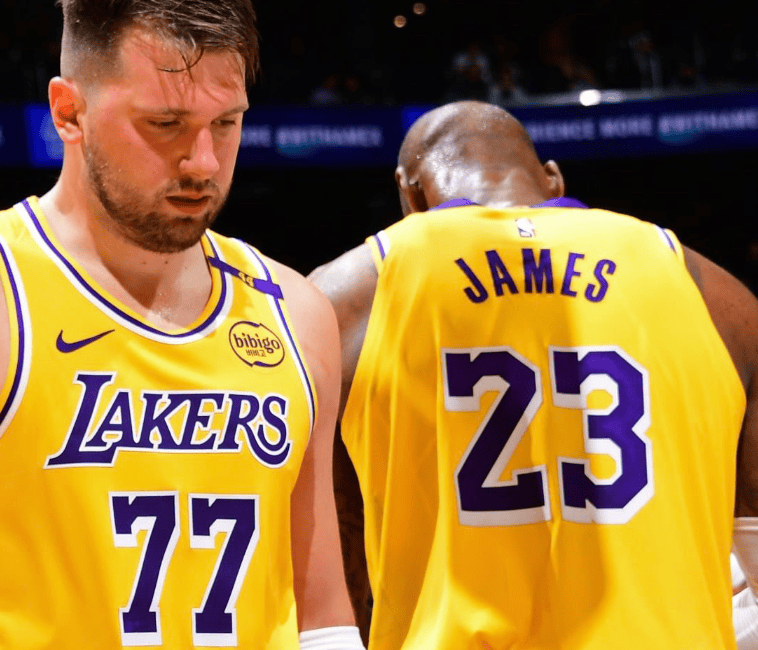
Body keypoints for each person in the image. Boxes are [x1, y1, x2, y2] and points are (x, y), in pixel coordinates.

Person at [0, 0, 363, 650]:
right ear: (67, 112)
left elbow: (321, 614)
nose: (203, 161)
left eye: (225, 123)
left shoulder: (295, 311)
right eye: (165, 124)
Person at [309, 99, 758, 649]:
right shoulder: (716, 294)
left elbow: (331, 565)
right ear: (553, 178)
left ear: (410, 194)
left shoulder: (342, 298)